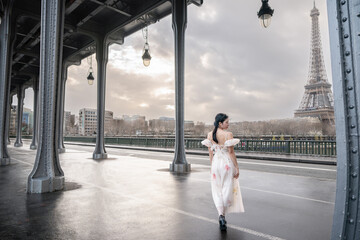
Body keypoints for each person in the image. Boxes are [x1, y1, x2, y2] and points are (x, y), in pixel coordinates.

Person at [201, 113, 245, 231]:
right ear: (220, 123)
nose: (228, 124)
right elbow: (231, 152)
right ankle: (223, 214)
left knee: (217, 189)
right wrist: (236, 167)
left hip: (216, 163)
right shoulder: (228, 135)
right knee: (227, 187)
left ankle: (221, 215)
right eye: (226, 122)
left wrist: (212, 165)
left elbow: (211, 153)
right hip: (226, 163)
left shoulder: (210, 135)